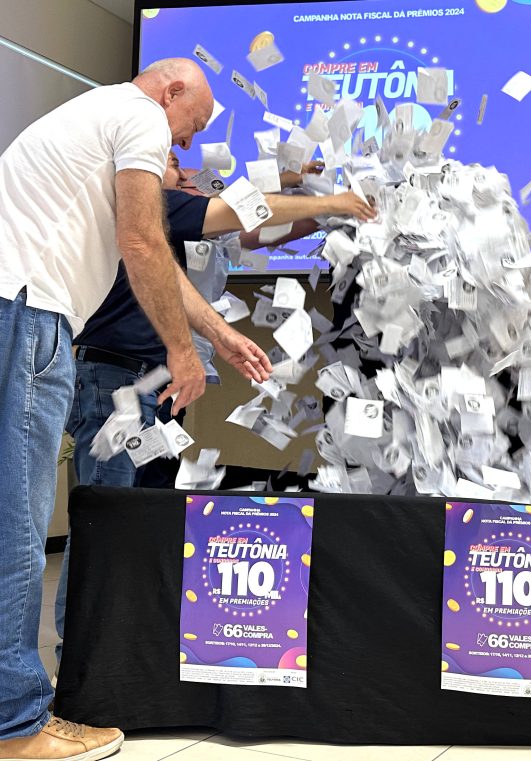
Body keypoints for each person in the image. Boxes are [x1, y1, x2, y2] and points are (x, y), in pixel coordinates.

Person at [0, 58, 267, 761]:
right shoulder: (138, 116)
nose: (188, 144)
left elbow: (152, 256)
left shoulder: (93, 117)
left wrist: (218, 334)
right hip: (20, 316)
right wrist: (181, 352)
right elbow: (143, 242)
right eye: (192, 125)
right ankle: (11, 726)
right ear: (171, 92)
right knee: (10, 522)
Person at [54, 152, 376, 658]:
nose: (185, 170)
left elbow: (252, 232)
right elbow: (241, 209)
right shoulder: (152, 203)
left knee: (146, 508)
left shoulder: (188, 224)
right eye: (171, 159)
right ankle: (78, 651)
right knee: (106, 513)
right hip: (118, 380)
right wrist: (334, 201)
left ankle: (127, 636)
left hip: (161, 383)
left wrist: (328, 217)